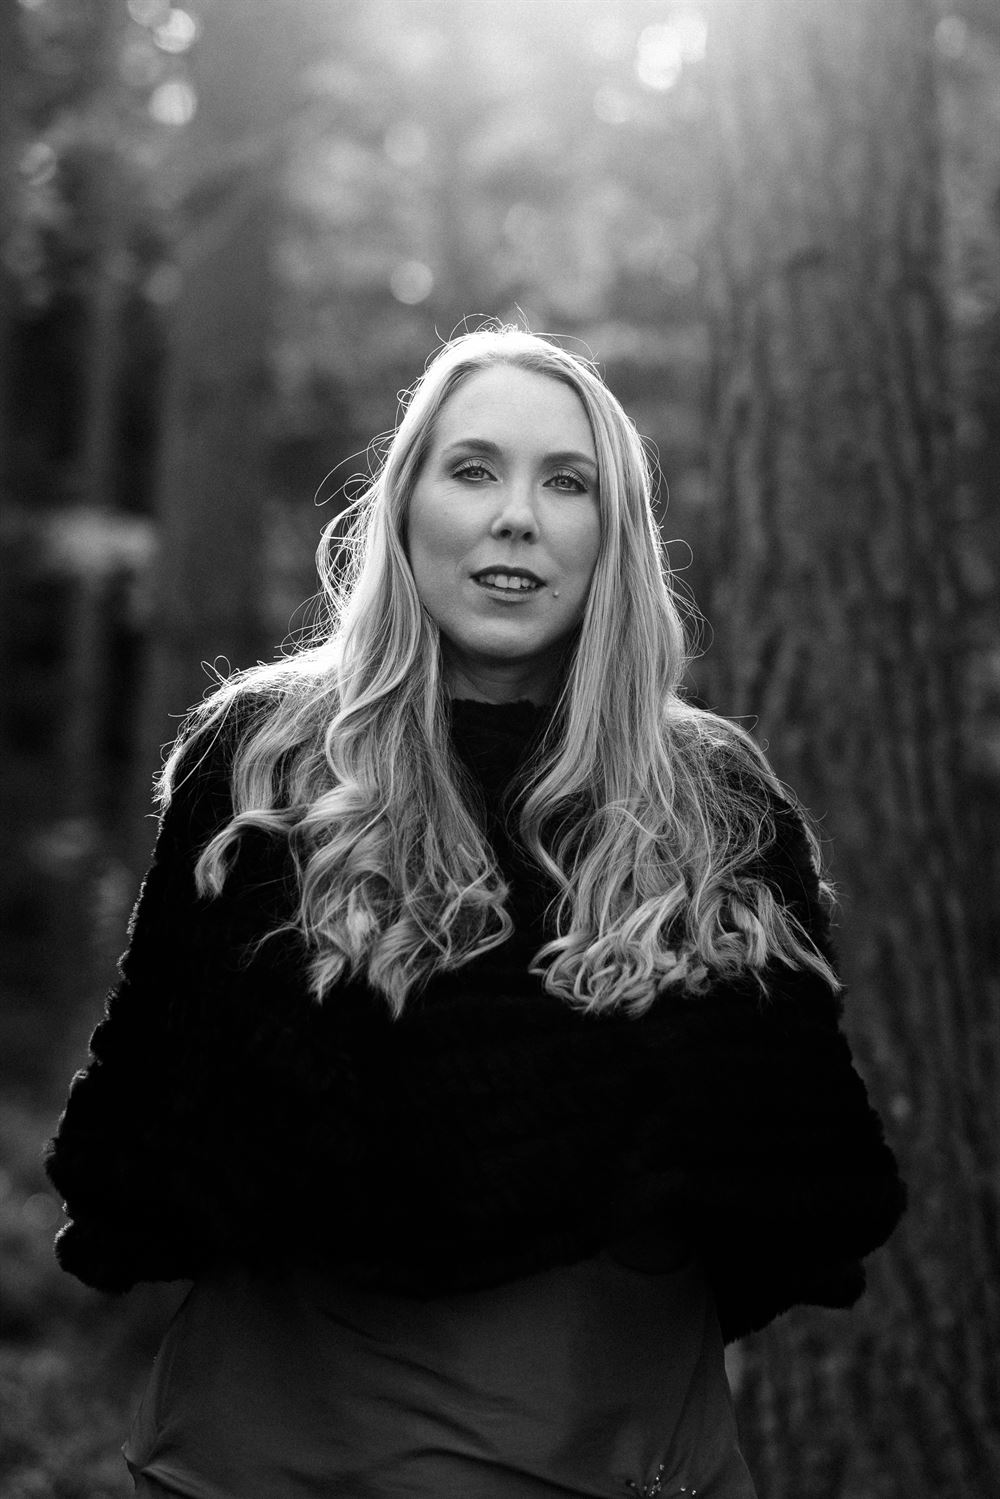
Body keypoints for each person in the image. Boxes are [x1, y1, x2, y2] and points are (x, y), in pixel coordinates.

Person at [46, 325, 906, 1499]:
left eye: (567, 482)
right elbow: (148, 1126)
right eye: (472, 469)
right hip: (281, 1458)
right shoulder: (265, 761)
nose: (516, 517)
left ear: (616, 534)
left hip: (626, 1454)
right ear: (403, 508)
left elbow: (803, 1177)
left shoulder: (717, 803)